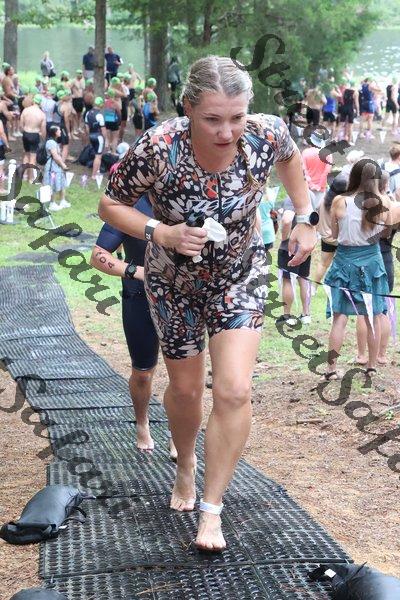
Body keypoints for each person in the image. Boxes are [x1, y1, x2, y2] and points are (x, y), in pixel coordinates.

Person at [98, 55, 316, 551]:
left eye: (237, 117)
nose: (227, 132)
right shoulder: (159, 147)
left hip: (239, 276)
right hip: (172, 282)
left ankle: (212, 509)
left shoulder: (265, 134)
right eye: (213, 119)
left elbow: (291, 161)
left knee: (234, 390)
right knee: (186, 391)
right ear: (189, 108)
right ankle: (185, 461)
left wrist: (306, 217)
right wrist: (161, 232)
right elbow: (110, 204)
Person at [323, 159, 392, 380]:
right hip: (372, 261)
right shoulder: (384, 202)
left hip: (344, 260)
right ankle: (371, 366)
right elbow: (385, 233)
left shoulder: (339, 201)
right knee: (373, 315)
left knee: (339, 317)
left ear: (352, 176)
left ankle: (331, 369)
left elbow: (334, 235)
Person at [354, 170, 395, 366]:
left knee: (365, 309)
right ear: (386, 184)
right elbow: (388, 231)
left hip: (368, 257)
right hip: (386, 258)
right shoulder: (392, 204)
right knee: (382, 309)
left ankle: (362, 354)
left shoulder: (362, 203)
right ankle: (381, 354)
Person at [277, 196, 313, 324]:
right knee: (303, 279)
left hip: (291, 247)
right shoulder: (310, 196)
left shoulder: (291, 198)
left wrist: (284, 239)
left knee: (287, 280)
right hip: (306, 245)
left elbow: (287, 220)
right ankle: (306, 314)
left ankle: (287, 316)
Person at [315, 176, 348, 283]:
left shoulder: (323, 200)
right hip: (341, 239)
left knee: (323, 264)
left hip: (326, 238)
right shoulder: (342, 203)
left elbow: (316, 214)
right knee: (343, 264)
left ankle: (314, 287)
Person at [20, 94, 46, 184]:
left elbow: (21, 124)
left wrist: (23, 131)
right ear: (40, 103)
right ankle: (31, 178)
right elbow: (43, 129)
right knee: (33, 157)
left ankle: (24, 176)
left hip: (26, 133)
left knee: (26, 154)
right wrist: (43, 138)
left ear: (33, 101)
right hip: (35, 134)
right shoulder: (42, 114)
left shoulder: (26, 110)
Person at [43, 125, 70, 210]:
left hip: (57, 167)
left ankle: (62, 201)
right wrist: (63, 165)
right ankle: (52, 203)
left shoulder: (54, 142)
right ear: (54, 132)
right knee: (53, 184)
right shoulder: (51, 142)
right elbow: (55, 156)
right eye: (59, 130)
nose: (60, 132)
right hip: (52, 168)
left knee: (62, 183)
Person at [301, 138, 332, 209]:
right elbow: (327, 171)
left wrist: (311, 184)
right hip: (321, 187)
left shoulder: (305, 152)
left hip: (308, 187)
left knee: (310, 209)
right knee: (321, 209)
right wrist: (320, 185)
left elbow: (304, 170)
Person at [85, 96, 106, 178]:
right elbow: (103, 129)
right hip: (98, 137)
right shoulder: (100, 115)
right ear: (101, 104)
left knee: (95, 154)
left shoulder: (88, 113)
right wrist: (105, 140)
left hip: (91, 135)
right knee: (98, 156)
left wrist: (89, 136)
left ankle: (97, 171)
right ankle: (94, 175)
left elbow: (87, 127)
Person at [103, 88, 121, 152]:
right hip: (114, 122)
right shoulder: (115, 103)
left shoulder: (105, 103)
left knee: (107, 138)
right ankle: (113, 152)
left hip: (106, 121)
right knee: (115, 138)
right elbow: (119, 113)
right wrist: (119, 122)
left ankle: (107, 152)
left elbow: (103, 112)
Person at [71, 70, 85, 135]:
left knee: (80, 114)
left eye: (81, 73)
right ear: (77, 74)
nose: (80, 75)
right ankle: (74, 128)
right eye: (79, 74)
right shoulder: (73, 81)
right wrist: (72, 95)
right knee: (75, 115)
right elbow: (69, 88)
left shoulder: (83, 80)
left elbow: (83, 90)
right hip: (75, 99)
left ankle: (79, 127)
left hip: (81, 99)